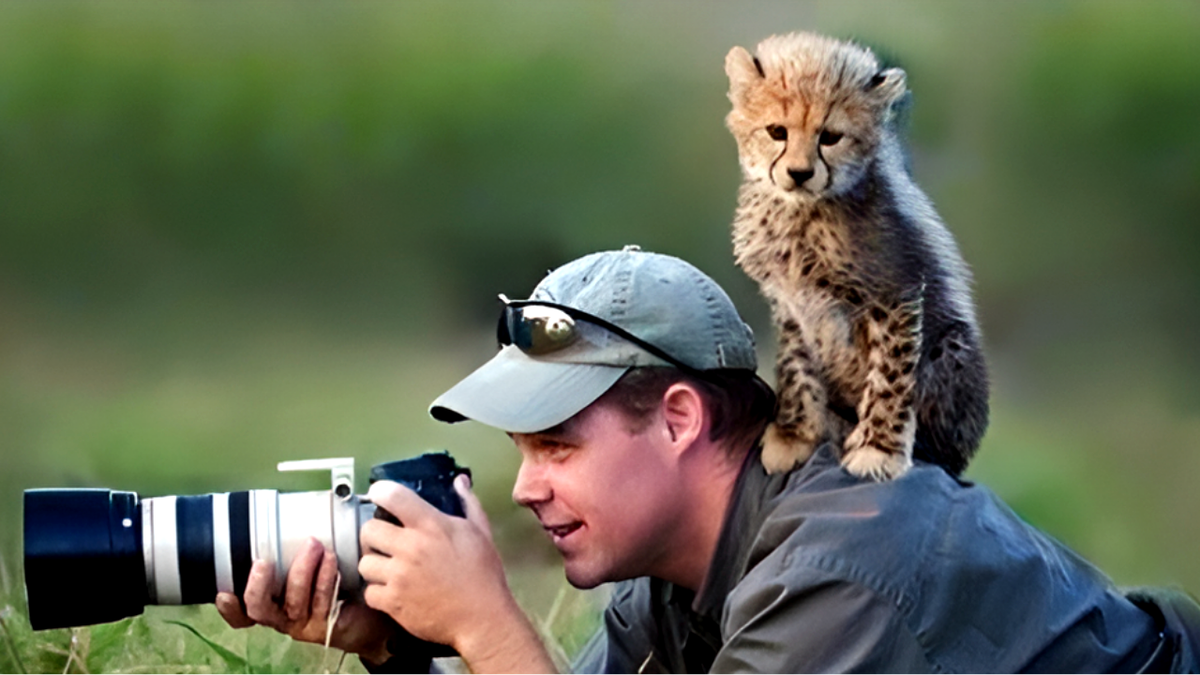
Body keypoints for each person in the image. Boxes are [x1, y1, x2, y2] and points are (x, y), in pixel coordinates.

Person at [217, 246, 1200, 672]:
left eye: (557, 445)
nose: (527, 487)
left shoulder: (840, 564)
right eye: (521, 450)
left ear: (679, 419)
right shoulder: (675, 580)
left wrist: (489, 625)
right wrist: (399, 651)